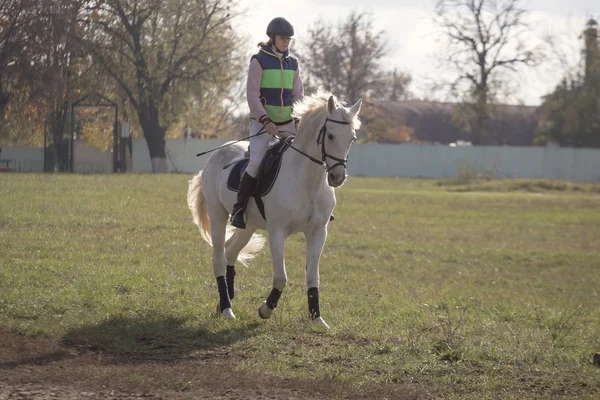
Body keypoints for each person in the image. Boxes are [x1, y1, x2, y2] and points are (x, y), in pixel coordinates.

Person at [231, 17, 304, 229]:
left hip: (288, 122)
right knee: (255, 162)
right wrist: (266, 121)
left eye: (289, 39)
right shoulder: (259, 60)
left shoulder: (294, 63)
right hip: (262, 123)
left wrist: (299, 119)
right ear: (271, 38)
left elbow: (298, 95)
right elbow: (252, 96)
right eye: (282, 38)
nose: (286, 42)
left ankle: (312, 205)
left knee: (306, 157)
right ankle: (239, 208)